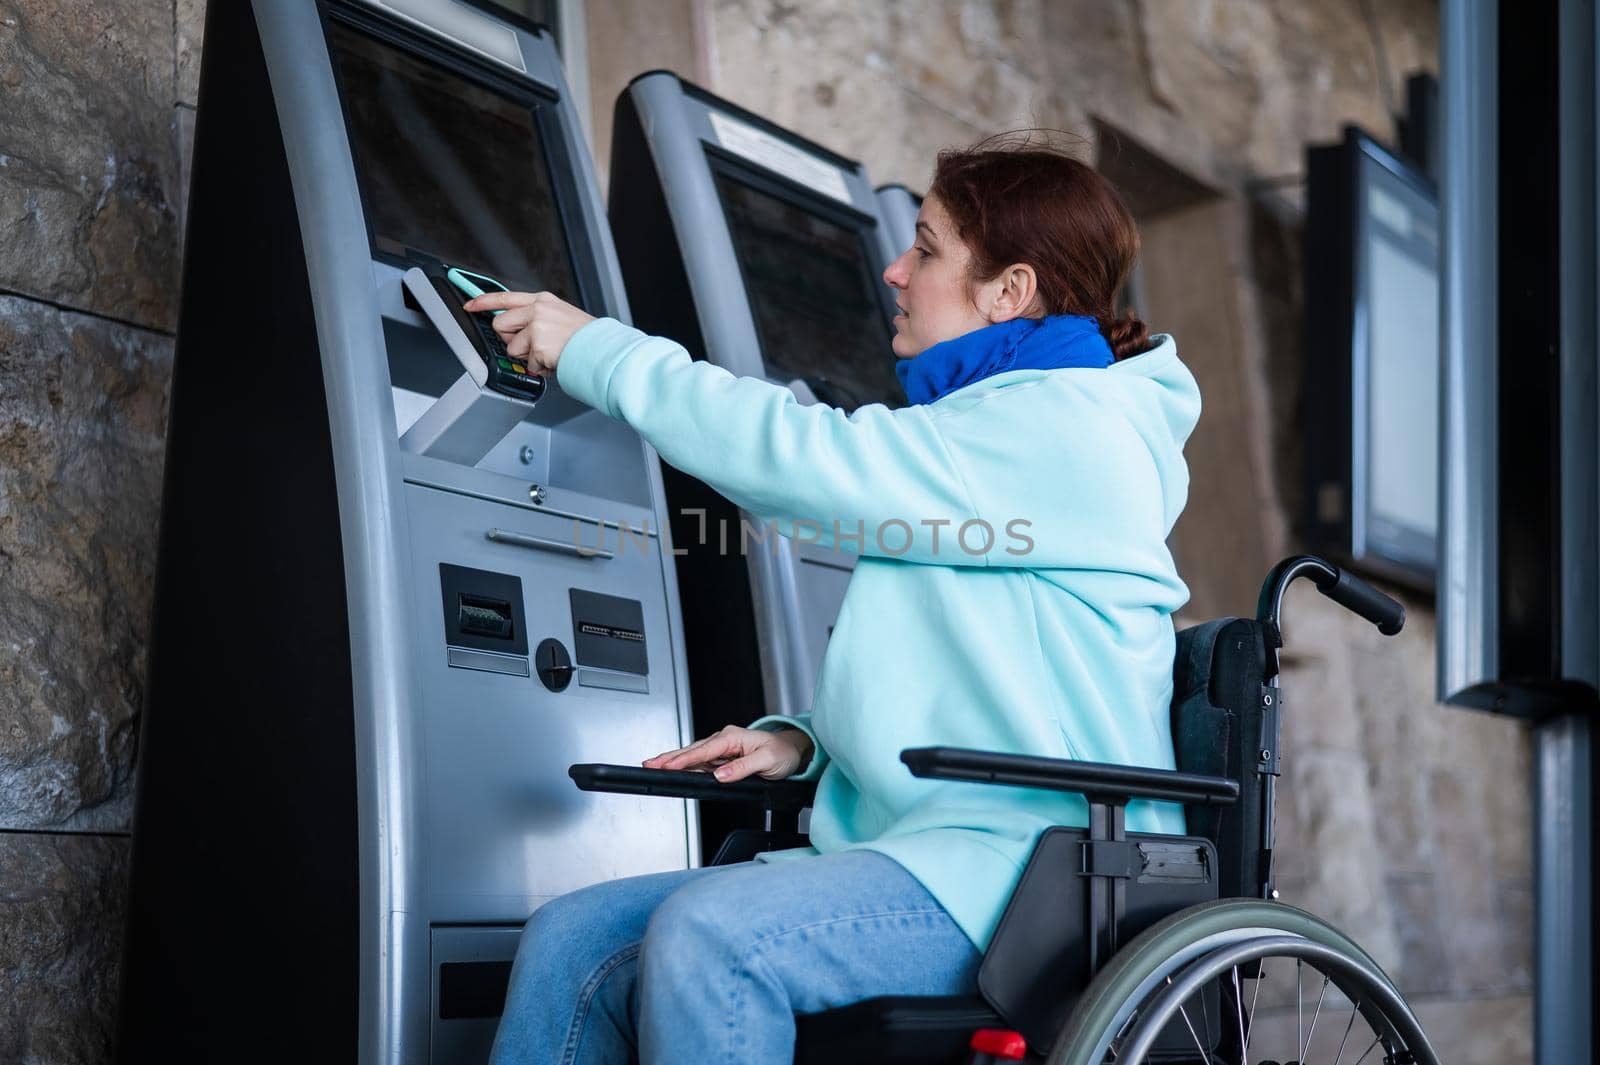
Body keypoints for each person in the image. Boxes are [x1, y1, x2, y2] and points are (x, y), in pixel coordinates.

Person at [472, 137, 1200, 1065]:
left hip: (1030, 874)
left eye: (928, 250)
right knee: (572, 941)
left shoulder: (1066, 425)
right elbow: (985, 673)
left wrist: (598, 352)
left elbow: (808, 459)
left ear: (1009, 292)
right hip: (930, 848)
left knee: (714, 938)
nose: (896, 271)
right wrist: (806, 739)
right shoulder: (988, 426)